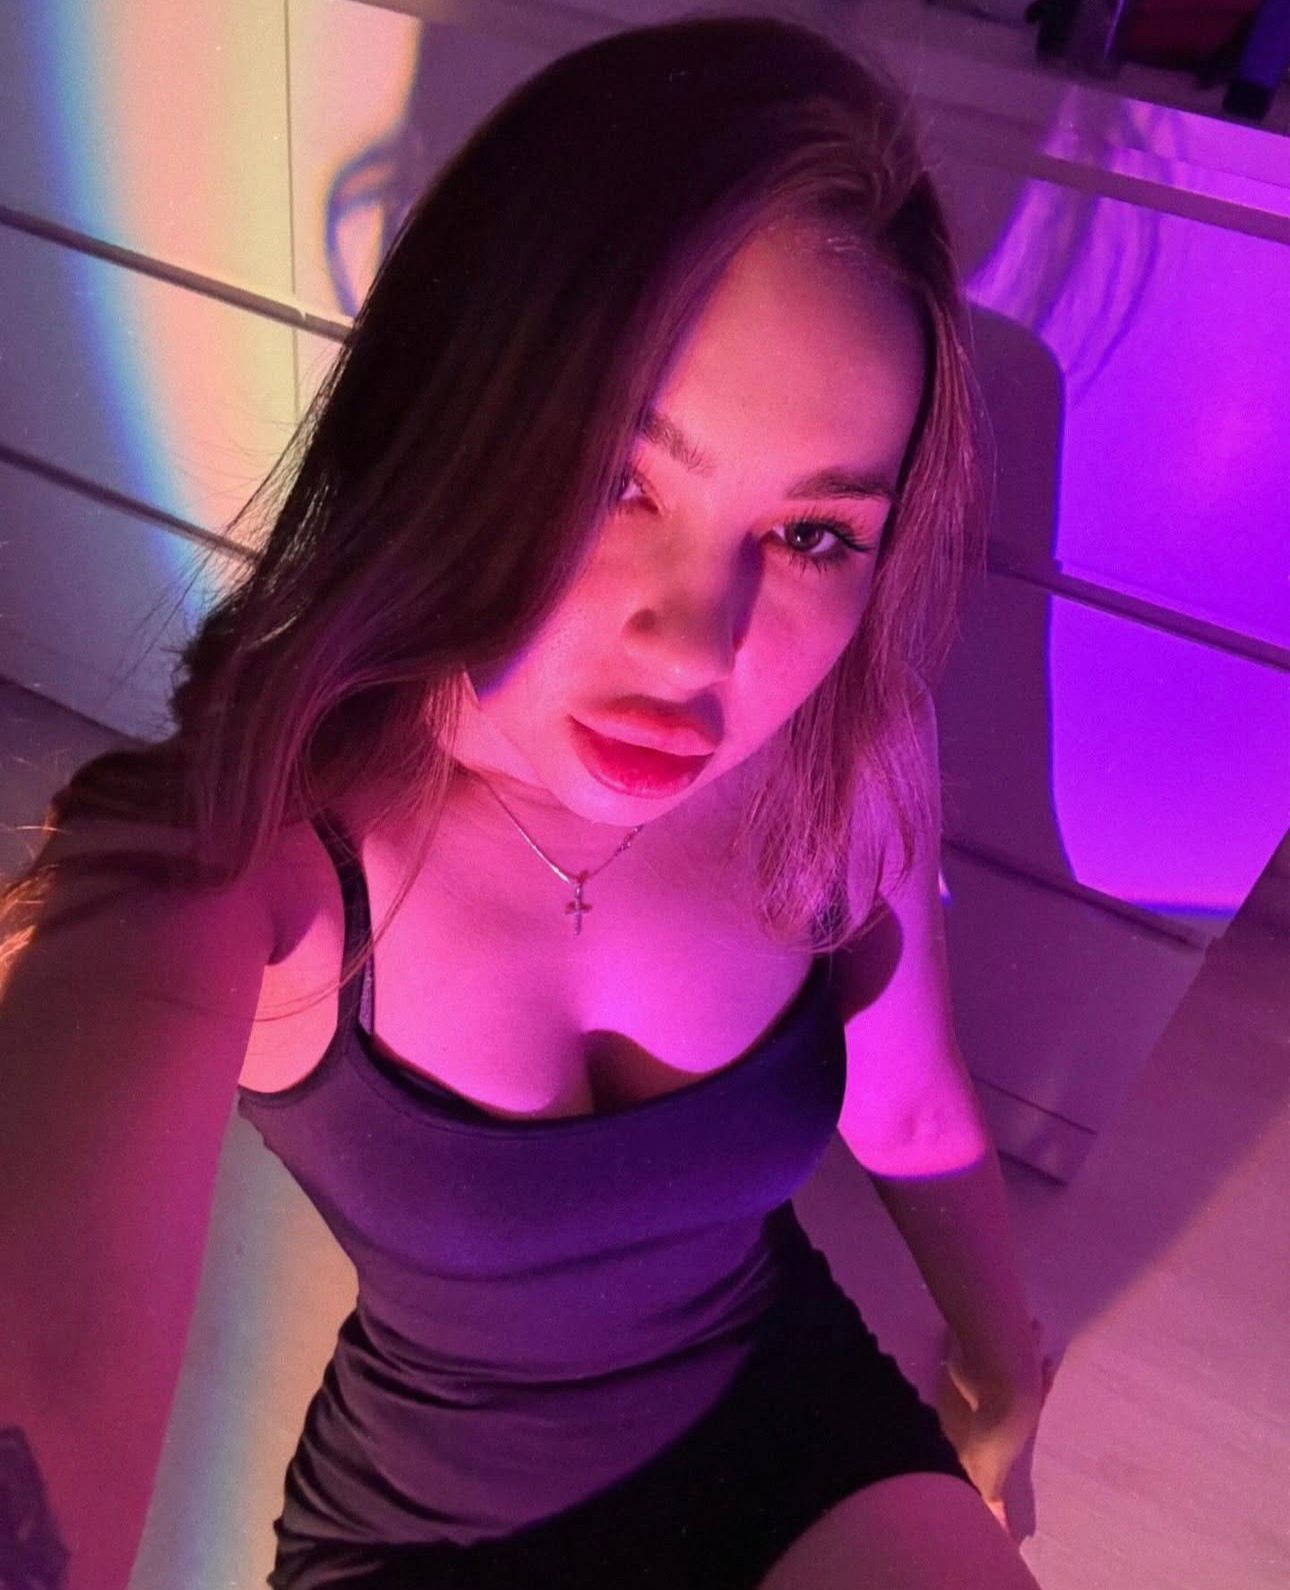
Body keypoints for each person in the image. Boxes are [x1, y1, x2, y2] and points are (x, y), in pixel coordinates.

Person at [0, 15, 1053, 1590]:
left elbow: (907, 1108)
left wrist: (1004, 1369)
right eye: (616, 478)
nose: (694, 647)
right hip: (435, 1525)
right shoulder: (244, 851)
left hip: (786, 1423)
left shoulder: (843, 759)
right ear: (455, 420)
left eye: (813, 534)